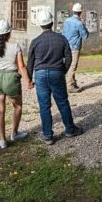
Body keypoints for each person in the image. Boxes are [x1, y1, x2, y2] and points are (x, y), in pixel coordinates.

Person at [27, 10, 83, 144]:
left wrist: (29, 79)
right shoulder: (61, 39)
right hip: (57, 72)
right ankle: (70, 129)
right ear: (52, 22)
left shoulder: (35, 41)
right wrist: (62, 71)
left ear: (40, 25)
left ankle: (47, 135)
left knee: (44, 105)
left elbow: (30, 63)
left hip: (40, 74)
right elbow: (68, 58)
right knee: (62, 102)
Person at [0, 19, 31, 149]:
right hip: (11, 78)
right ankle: (14, 133)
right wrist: (28, 81)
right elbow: (21, 66)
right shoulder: (15, 47)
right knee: (17, 106)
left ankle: (2, 140)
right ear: (9, 33)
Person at [62, 3, 89, 93]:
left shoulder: (67, 21)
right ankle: (70, 85)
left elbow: (63, 33)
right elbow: (85, 36)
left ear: (73, 11)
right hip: (74, 47)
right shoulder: (79, 23)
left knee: (68, 64)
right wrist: (84, 25)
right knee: (73, 66)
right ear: (80, 12)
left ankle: (73, 83)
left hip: (66, 46)